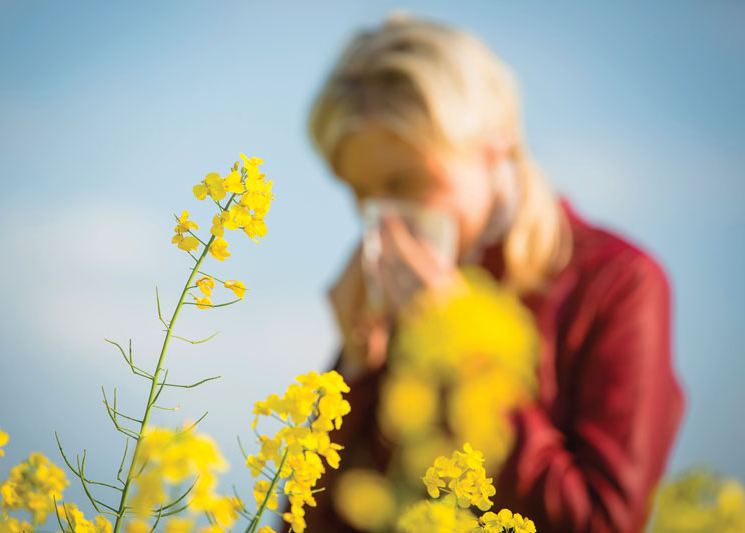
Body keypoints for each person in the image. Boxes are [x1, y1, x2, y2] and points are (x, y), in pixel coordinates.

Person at [284, 11, 685, 533]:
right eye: (359, 193)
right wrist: (354, 372)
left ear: (496, 148)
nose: (382, 218)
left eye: (404, 182)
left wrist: (459, 350)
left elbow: (602, 521)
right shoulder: (393, 296)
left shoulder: (617, 283)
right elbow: (300, 522)